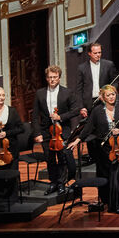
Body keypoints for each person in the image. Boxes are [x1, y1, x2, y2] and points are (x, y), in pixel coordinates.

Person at [31, 64, 82, 194]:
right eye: (50, 77)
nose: (52, 80)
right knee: (50, 158)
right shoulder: (40, 93)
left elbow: (76, 110)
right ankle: (53, 182)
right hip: (46, 131)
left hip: (62, 130)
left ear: (59, 78)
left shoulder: (67, 92)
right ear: (46, 78)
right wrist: (37, 133)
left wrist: (60, 117)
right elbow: (35, 115)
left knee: (62, 157)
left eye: (55, 77)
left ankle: (61, 183)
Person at [86, 82, 119, 213]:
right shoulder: (97, 111)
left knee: (117, 175)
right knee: (105, 173)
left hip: (118, 146)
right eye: (108, 95)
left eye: (113, 94)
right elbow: (89, 128)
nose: (111, 97)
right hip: (103, 148)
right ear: (103, 97)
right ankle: (106, 200)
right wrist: (77, 140)